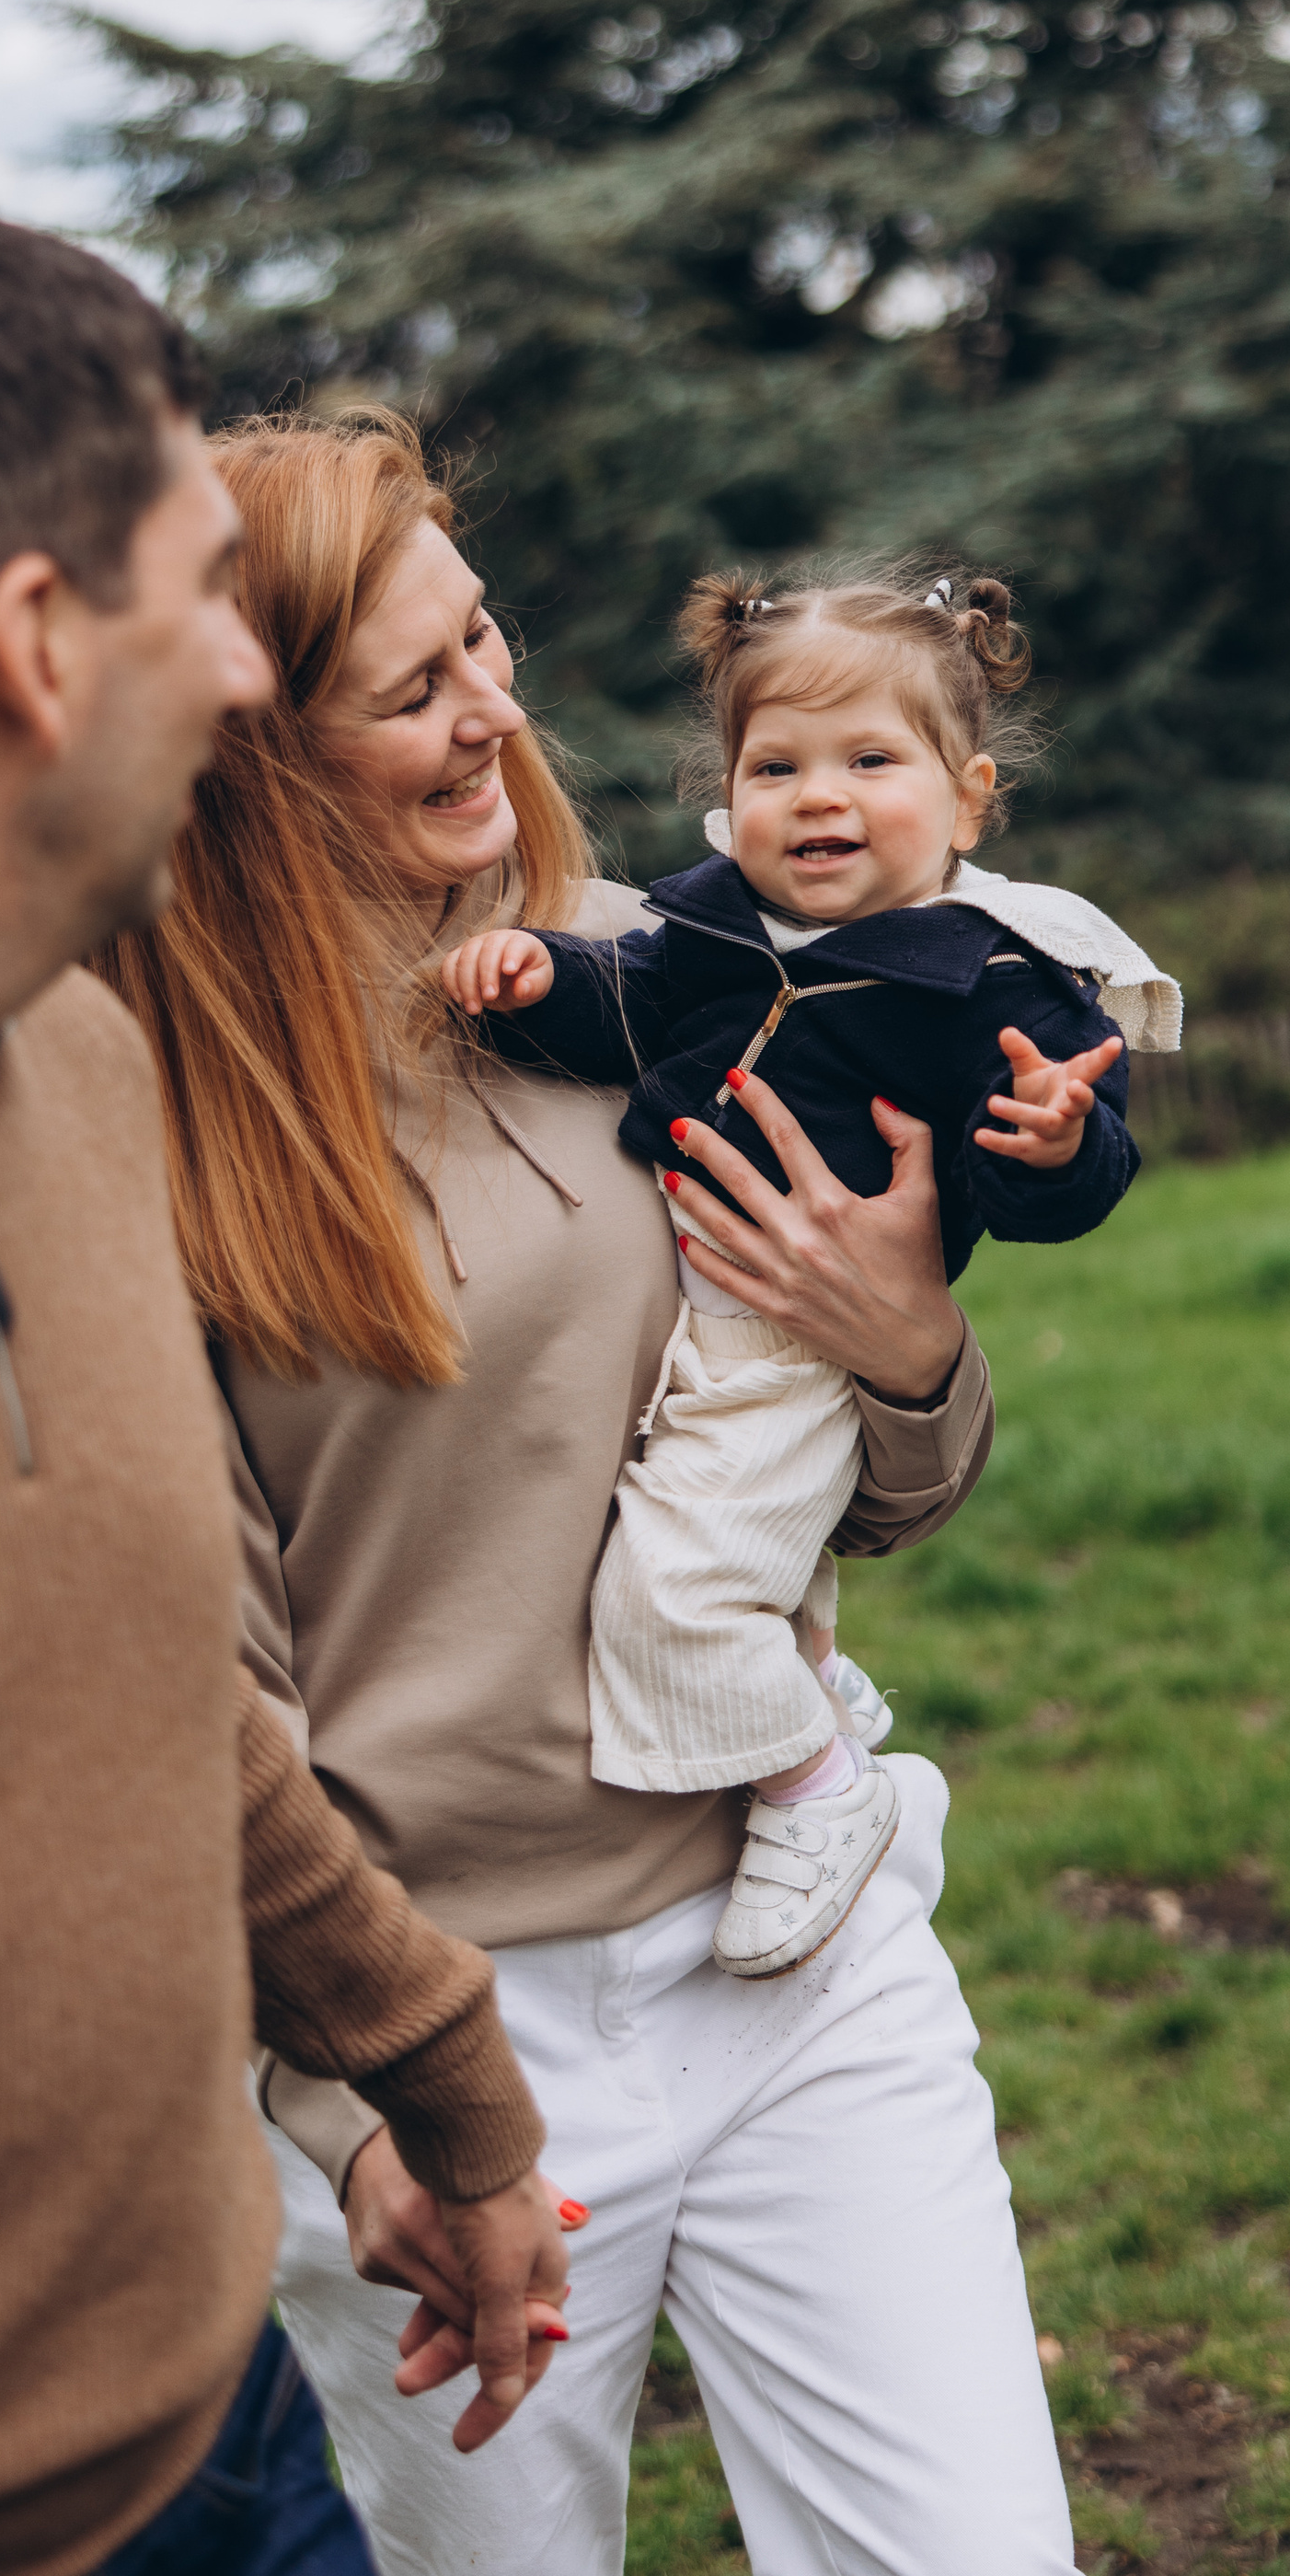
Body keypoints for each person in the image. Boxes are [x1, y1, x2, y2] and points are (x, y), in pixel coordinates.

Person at [0, 206, 568, 2576]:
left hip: (229, 2442)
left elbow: (133, 1667)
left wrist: (446, 2097)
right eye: (204, 594)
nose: (253, 678)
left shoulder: (67, 1061)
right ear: (39, 648)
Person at [92, 406, 1086, 2576]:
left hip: (789, 1937)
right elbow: (190, 1691)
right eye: (413, 686)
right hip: (452, 2033)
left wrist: (907, 1348)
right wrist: (367, 2100)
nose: (492, 714)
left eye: (490, 641)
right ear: (247, 737)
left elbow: (859, 1484)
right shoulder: (148, 1139)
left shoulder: (673, 970)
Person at [434, 566, 1178, 1980]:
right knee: (685, 1543)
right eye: (777, 766)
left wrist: (1047, 1142)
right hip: (690, 1322)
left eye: (868, 762)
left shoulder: (992, 982)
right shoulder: (711, 932)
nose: (819, 797)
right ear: (728, 793)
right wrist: (539, 979)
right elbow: (626, 1016)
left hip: (796, 1350)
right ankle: (807, 1689)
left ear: (966, 801)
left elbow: (1066, 1188)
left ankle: (817, 1795)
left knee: (671, 1597)